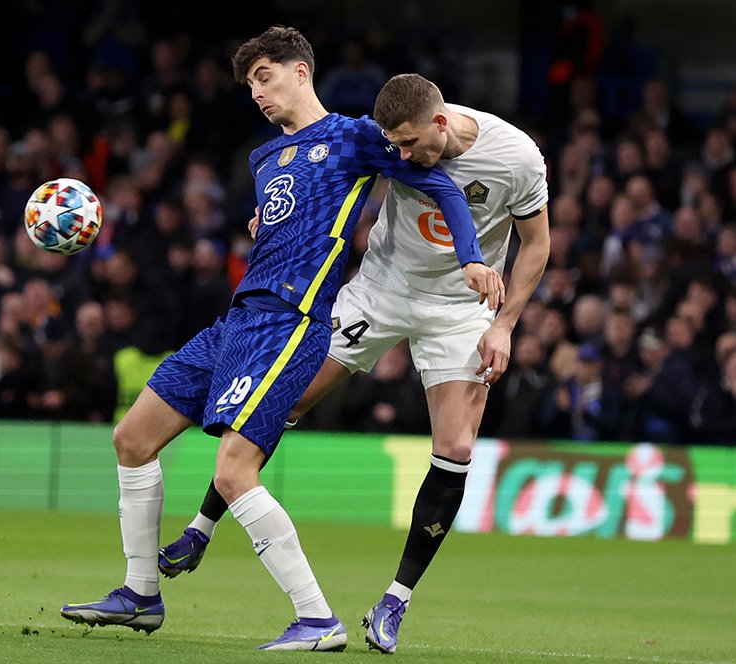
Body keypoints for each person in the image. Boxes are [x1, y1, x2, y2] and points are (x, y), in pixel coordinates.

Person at [58, 28, 499, 652]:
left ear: (301, 72)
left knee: (236, 471)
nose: (258, 93)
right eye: (249, 85)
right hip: (236, 319)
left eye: (264, 76)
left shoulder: (353, 136)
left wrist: (472, 258)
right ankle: (140, 594)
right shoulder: (264, 160)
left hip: (290, 323)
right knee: (131, 440)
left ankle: (317, 618)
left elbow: (443, 186)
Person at [158, 72, 551, 654]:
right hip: (380, 289)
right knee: (284, 395)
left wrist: (504, 325)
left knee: (458, 448)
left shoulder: (516, 158)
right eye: (396, 146)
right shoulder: (387, 139)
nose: (404, 156)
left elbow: (536, 244)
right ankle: (202, 526)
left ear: (440, 122)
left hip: (461, 308)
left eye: (412, 145)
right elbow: (325, 177)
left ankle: (394, 601)